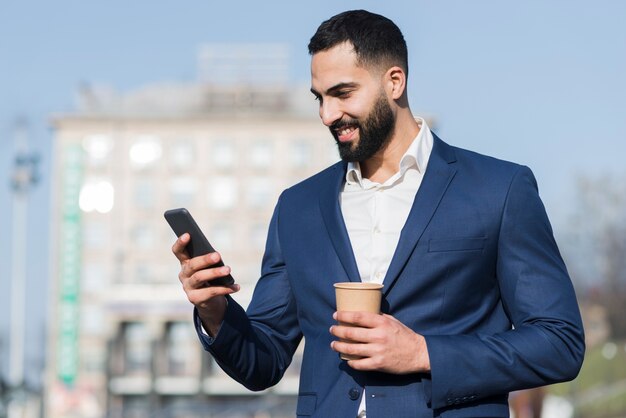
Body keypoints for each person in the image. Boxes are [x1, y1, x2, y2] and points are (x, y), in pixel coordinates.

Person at [171, 9, 585, 417]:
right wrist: (215, 311)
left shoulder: (499, 189)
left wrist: (424, 353)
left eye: (342, 93)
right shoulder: (297, 208)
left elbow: (559, 343)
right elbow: (263, 363)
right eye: (320, 98)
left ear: (394, 82)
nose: (327, 115)